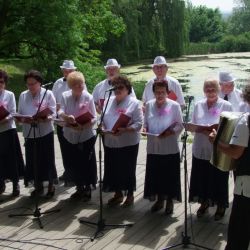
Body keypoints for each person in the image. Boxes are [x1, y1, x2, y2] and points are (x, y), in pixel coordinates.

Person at [209, 93, 250, 249]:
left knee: (240, 227)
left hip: (246, 182)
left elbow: (235, 152)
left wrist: (216, 141)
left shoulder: (246, 121)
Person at [188, 78, 232, 220]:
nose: (210, 91)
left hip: (218, 148)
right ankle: (204, 202)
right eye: (207, 89)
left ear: (218, 89)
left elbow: (229, 129)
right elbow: (194, 125)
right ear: (204, 90)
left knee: (219, 178)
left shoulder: (226, 105)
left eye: (213, 89)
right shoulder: (198, 105)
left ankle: (220, 205)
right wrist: (196, 128)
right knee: (202, 177)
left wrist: (214, 132)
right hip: (200, 146)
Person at [143, 79, 183, 214]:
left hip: (169, 146)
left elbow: (180, 124)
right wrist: (144, 128)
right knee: (156, 175)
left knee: (169, 176)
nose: (160, 95)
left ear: (167, 92)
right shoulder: (149, 105)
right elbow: (145, 122)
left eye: (162, 92)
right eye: (157, 92)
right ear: (153, 92)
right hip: (153, 146)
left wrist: (170, 132)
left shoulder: (174, 105)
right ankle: (159, 200)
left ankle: (170, 201)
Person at [102, 75, 143, 206]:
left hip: (128, 142)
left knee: (127, 169)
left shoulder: (134, 103)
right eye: (115, 87)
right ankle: (118, 194)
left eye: (121, 87)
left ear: (127, 89)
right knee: (113, 168)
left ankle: (130, 195)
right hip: (110, 141)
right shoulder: (108, 100)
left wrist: (126, 129)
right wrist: (101, 126)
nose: (117, 90)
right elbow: (101, 118)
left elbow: (139, 124)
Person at [18, 70, 57, 198]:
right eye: (28, 84)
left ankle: (51, 185)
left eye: (33, 84)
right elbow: (20, 113)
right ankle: (38, 185)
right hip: (29, 132)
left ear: (39, 83)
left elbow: (53, 113)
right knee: (32, 160)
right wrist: (21, 118)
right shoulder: (23, 95)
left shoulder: (48, 93)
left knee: (47, 159)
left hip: (45, 131)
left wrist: (45, 117)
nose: (30, 87)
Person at [58, 71, 97, 200]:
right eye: (76, 85)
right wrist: (66, 117)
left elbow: (94, 118)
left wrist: (83, 126)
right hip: (70, 134)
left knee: (86, 162)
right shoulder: (65, 95)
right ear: (70, 86)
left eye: (81, 84)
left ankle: (87, 188)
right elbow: (60, 111)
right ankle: (78, 187)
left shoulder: (88, 97)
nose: (80, 87)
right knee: (73, 162)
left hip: (86, 135)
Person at [52, 60, 87, 184]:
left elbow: (85, 101)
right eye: (65, 71)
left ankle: (77, 173)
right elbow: (53, 99)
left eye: (70, 71)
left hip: (76, 122)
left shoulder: (80, 82)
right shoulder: (57, 83)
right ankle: (68, 172)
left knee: (76, 149)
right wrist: (56, 107)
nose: (67, 73)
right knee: (64, 148)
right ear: (62, 71)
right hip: (61, 121)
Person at [0, 70, 24, 197]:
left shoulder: (9, 95)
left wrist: (3, 119)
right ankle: (1, 183)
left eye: (2, 82)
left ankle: (16, 184)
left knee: (12, 158)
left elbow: (13, 113)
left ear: (5, 83)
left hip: (8, 130)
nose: (0, 84)